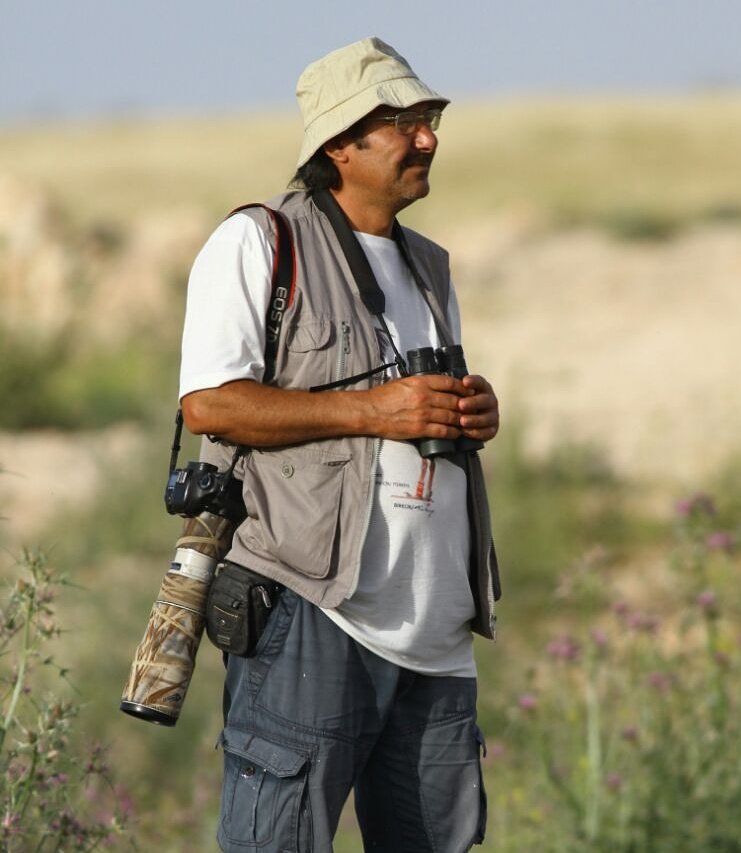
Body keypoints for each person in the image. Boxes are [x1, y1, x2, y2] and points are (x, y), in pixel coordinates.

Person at [178, 36, 501, 853]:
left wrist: (468, 415)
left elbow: (408, 414)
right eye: (402, 121)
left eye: (428, 118)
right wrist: (378, 411)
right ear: (338, 143)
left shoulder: (429, 265)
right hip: (311, 611)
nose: (427, 137)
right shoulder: (258, 241)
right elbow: (209, 404)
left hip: (436, 632)